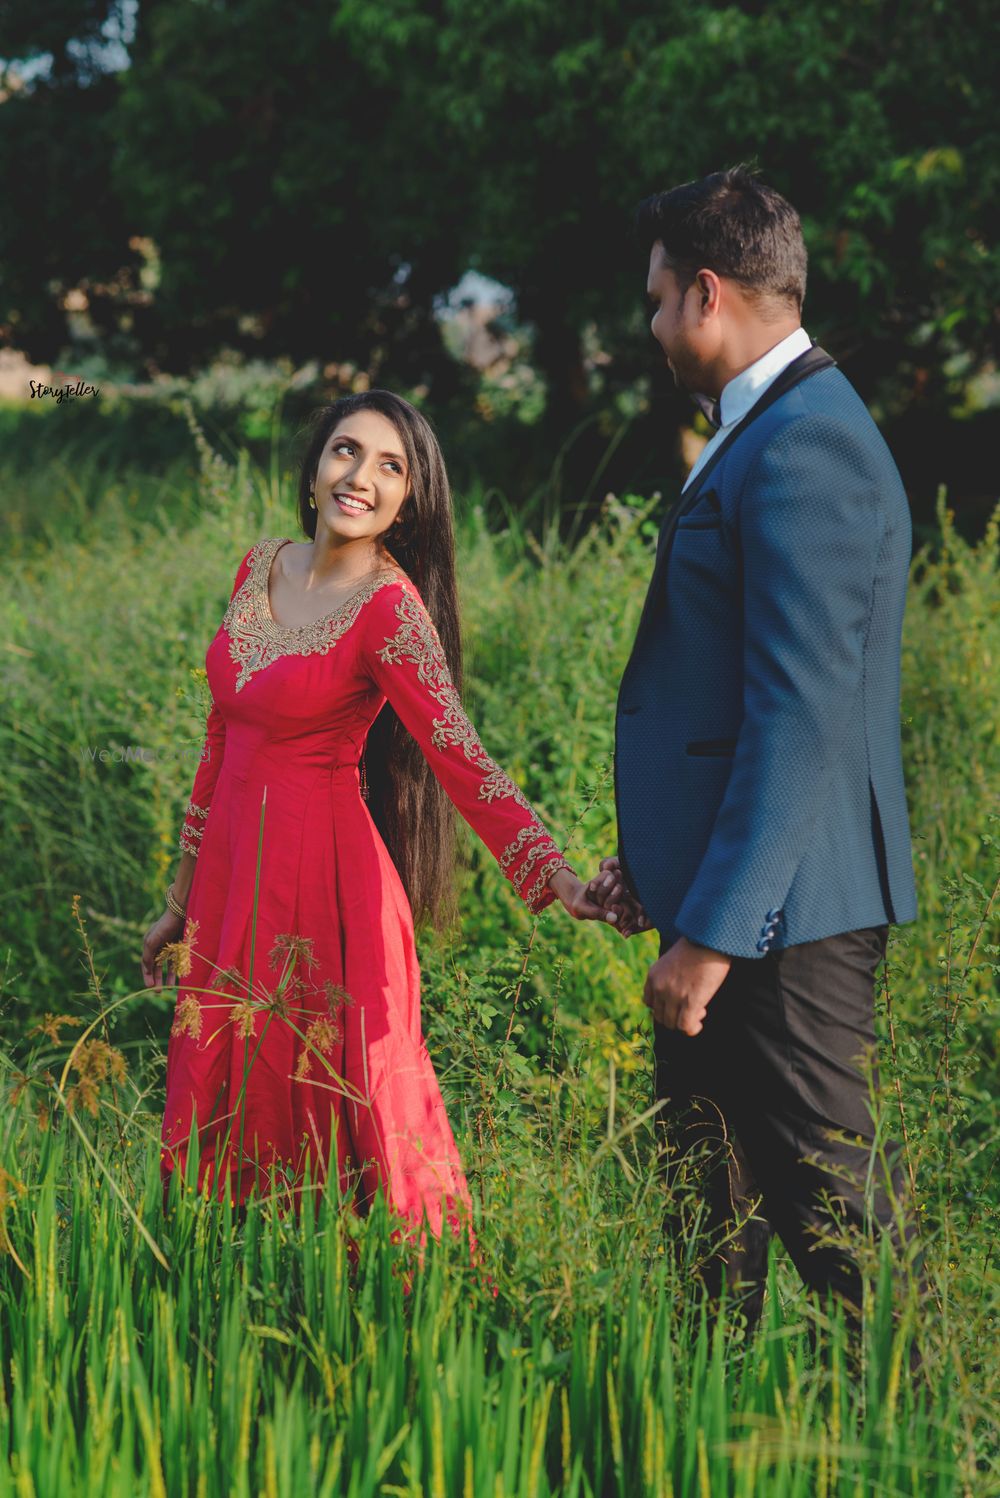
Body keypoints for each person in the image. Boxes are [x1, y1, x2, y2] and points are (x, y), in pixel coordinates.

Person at [141, 390, 640, 1268]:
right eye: (346, 451)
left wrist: (554, 875)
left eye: (389, 466)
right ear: (312, 470)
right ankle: (236, 1273)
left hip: (327, 885)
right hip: (230, 884)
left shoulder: (389, 609)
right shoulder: (257, 568)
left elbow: (459, 753)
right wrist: (179, 901)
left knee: (350, 1094)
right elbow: (221, 738)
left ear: (410, 502)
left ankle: (409, 1291)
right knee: (230, 1082)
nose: (360, 477)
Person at [588, 166, 921, 1342]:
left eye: (655, 297)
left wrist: (715, 934)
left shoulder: (805, 447)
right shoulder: (769, 431)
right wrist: (666, 877)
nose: (651, 323)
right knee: (704, 1227)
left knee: (838, 1232)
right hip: (732, 907)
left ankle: (919, 1447)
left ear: (707, 294)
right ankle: (707, 1445)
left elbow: (798, 717)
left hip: (783, 921)